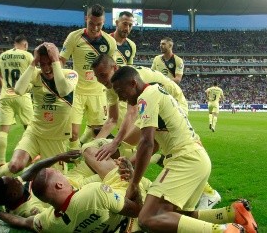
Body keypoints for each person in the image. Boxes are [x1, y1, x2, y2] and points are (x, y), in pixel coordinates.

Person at [110, 66, 258, 233]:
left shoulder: (146, 97)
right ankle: (232, 214)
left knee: (148, 217)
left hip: (184, 160)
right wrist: (130, 162)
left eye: (120, 91)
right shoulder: (157, 92)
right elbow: (156, 144)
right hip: (197, 159)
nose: (120, 98)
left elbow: (147, 142)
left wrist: (134, 184)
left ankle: (225, 231)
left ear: (132, 83)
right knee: (176, 215)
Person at [91, 54, 221, 210]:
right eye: (98, 77)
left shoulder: (131, 78)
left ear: (115, 68)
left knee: (162, 143)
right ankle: (136, 166)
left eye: (103, 75)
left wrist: (114, 143)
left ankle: (206, 190)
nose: (101, 81)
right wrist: (95, 144)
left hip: (174, 100)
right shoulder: (112, 87)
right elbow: (112, 119)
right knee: (138, 142)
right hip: (155, 105)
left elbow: (132, 113)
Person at [0, 42, 78, 209]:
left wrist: (55, 62)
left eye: (49, 63)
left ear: (57, 60)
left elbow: (63, 90)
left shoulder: (70, 74)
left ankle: (29, 186)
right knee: (15, 165)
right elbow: (18, 90)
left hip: (56, 138)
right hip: (35, 132)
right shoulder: (35, 74)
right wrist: (32, 63)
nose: (46, 68)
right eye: (42, 64)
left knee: (54, 187)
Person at [0, 148, 145, 232]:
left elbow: (29, 172)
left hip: (76, 185)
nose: (17, 178)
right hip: (82, 191)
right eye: (13, 180)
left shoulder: (48, 221)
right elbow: (137, 210)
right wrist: (134, 182)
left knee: (91, 150)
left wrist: (58, 157)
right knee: (121, 173)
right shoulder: (31, 209)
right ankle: (145, 157)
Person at [60, 4, 118, 148]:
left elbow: (113, 67)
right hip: (76, 93)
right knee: (72, 134)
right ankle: (75, 161)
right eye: (91, 23)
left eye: (99, 24)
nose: (95, 28)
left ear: (103, 22)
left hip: (98, 93)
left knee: (97, 132)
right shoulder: (74, 37)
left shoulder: (110, 42)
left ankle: (88, 161)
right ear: (86, 19)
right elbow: (60, 62)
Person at [0, 35, 34, 167]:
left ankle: (1, 161)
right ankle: (30, 156)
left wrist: (4, 88)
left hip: (5, 96)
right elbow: (33, 76)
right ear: (25, 45)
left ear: (14, 43)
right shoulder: (27, 55)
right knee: (29, 128)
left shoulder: (2, 55)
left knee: (3, 129)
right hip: (22, 95)